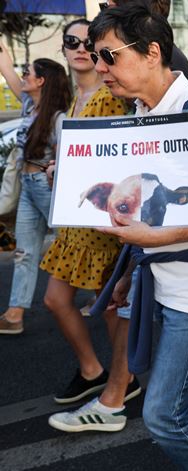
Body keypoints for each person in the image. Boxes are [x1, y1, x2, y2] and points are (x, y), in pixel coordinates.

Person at [89, 4, 188, 468]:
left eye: (108, 56)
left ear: (152, 52)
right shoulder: (146, 110)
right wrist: (133, 267)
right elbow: (147, 214)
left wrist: (154, 240)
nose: (101, 68)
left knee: (164, 416)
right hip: (168, 279)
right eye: (96, 57)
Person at [39, 19, 143, 430]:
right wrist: (57, 169)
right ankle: (96, 372)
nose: (81, 49)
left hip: (100, 223)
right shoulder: (75, 101)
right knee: (65, 301)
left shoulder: (108, 96)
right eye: (72, 42)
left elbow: (122, 154)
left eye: (89, 43)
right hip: (74, 221)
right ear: (63, 49)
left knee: (111, 307)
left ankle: (117, 380)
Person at [0, 47, 72, 335]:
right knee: (24, 252)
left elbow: (66, 158)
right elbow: (8, 71)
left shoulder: (58, 118)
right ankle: (14, 315)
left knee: (75, 243)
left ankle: (105, 294)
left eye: (28, 72)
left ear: (42, 80)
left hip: (47, 187)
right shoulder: (30, 106)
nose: (23, 76)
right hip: (28, 187)